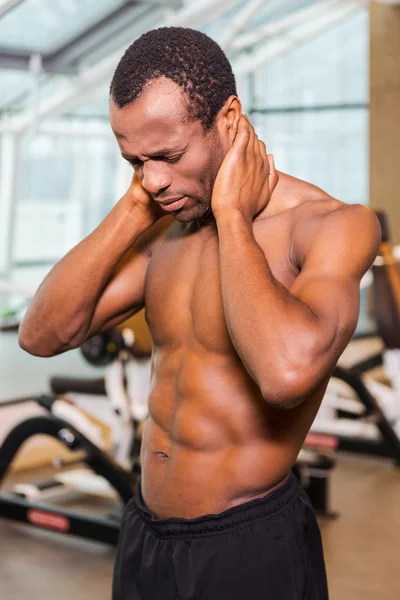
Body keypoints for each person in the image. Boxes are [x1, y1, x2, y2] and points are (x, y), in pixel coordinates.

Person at [19, 27, 381, 600]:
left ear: (229, 120)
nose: (154, 179)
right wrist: (137, 207)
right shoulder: (164, 224)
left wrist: (232, 215)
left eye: (168, 155)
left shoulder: (329, 225)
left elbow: (286, 374)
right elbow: (42, 333)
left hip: (248, 543)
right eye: (135, 160)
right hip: (144, 533)